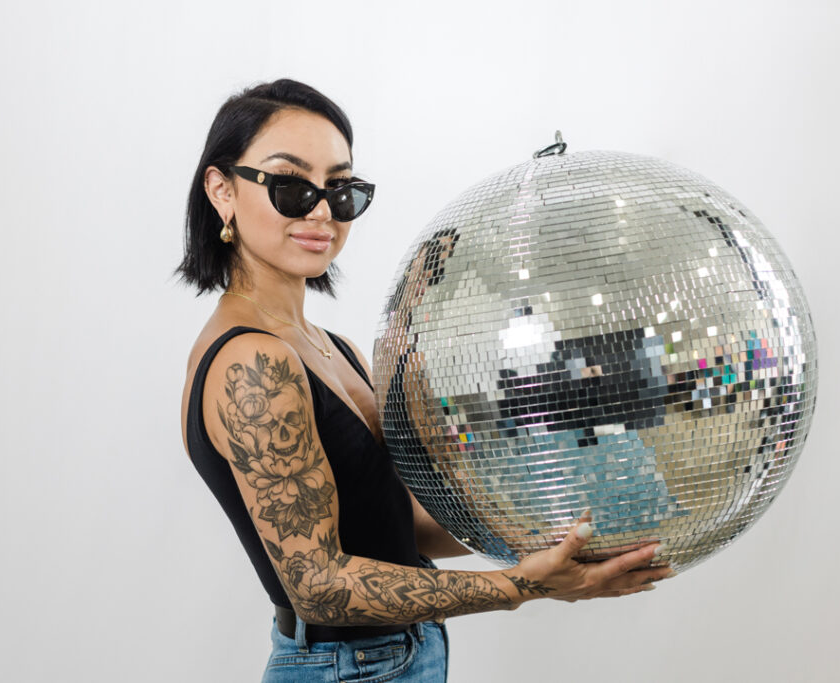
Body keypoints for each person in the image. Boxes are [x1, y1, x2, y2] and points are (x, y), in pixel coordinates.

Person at [175, 78, 673, 683]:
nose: (321, 211)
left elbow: (399, 528)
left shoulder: (333, 350)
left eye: (341, 189)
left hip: (397, 657)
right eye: (290, 185)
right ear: (221, 189)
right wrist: (523, 586)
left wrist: (554, 537)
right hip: (346, 668)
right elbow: (319, 587)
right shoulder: (252, 365)